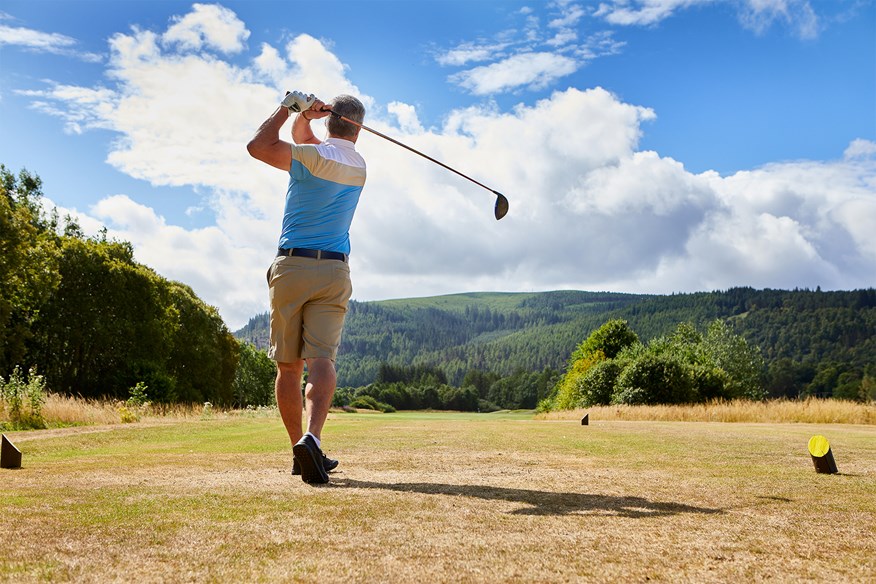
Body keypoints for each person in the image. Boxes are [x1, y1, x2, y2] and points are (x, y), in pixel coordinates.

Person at [247, 91, 366, 484]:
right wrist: (308, 118)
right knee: (322, 361)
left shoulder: (310, 159)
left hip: (292, 266)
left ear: (329, 119)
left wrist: (289, 107)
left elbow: (258, 146)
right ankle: (311, 441)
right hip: (334, 271)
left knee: (288, 365)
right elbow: (307, 141)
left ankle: (300, 447)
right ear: (358, 128)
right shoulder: (357, 165)